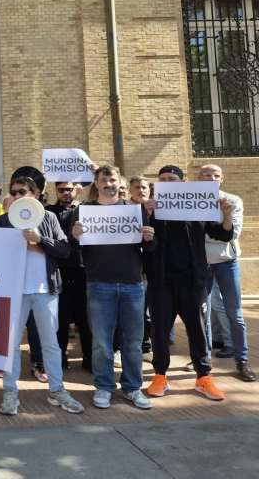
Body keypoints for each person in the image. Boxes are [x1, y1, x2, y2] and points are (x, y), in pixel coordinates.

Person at [0, 177, 84, 416]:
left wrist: (39, 241)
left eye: (22, 191)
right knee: (11, 346)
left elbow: (64, 250)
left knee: (50, 345)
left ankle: (57, 390)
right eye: (13, 192)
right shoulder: (4, 221)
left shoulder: (49, 218)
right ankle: (10, 392)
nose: (16, 196)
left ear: (34, 194)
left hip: (45, 290)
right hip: (15, 293)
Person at [144, 165, 234, 401]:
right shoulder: (149, 209)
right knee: (160, 330)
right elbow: (141, 243)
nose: (167, 182)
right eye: (162, 179)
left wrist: (226, 215)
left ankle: (203, 378)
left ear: (182, 183)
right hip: (161, 281)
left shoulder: (196, 206)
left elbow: (222, 235)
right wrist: (145, 214)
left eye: (172, 178)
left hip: (193, 281)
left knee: (197, 329)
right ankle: (160, 376)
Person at [70, 166, 154, 410]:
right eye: (103, 179)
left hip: (132, 284)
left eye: (113, 179)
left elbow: (149, 250)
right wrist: (75, 237)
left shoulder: (134, 210)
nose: (109, 183)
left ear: (120, 182)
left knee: (133, 342)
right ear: (96, 183)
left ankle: (132, 388)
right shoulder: (83, 211)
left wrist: (150, 238)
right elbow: (75, 252)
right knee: (102, 343)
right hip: (99, 285)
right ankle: (104, 387)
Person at [197, 164, 255, 382]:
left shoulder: (232, 201)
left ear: (222, 179)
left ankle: (242, 360)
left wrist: (207, 233)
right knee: (203, 312)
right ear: (198, 177)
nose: (210, 178)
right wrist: (217, 230)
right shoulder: (189, 201)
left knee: (235, 313)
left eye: (215, 175)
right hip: (201, 264)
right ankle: (204, 359)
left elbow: (231, 235)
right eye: (206, 174)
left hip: (226, 262)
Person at [46, 181, 91, 371]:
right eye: (61, 189)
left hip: (82, 270)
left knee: (85, 318)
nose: (65, 193)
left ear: (77, 189)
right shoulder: (48, 212)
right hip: (59, 270)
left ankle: (89, 357)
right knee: (60, 318)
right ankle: (60, 356)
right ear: (55, 190)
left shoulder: (86, 210)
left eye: (69, 189)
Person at [129, 176, 154, 360]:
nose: (141, 190)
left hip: (152, 266)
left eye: (144, 187)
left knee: (147, 311)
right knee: (135, 310)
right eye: (137, 187)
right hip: (131, 267)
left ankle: (146, 346)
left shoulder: (157, 210)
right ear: (130, 190)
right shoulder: (124, 209)